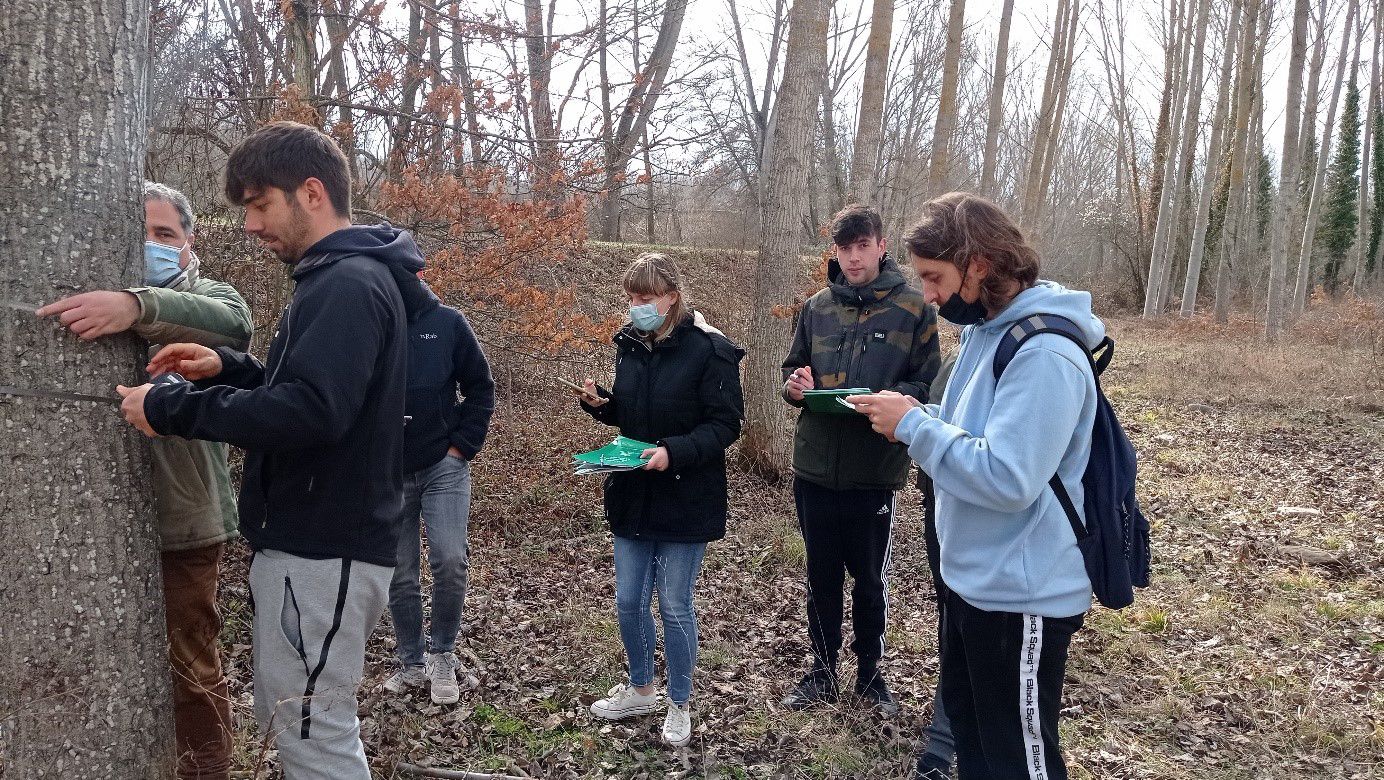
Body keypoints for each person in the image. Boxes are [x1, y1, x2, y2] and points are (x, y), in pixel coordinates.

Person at [116, 121, 436, 780]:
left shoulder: (348, 282)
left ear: (311, 192)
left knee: (314, 738)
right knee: (298, 726)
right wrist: (230, 368)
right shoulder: (336, 280)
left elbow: (310, 414)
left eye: (261, 204)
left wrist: (171, 407)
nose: (253, 225)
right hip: (314, 548)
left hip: (326, 548)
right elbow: (320, 397)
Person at [849, 192, 1101, 780]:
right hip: (975, 581)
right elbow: (969, 434)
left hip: (1022, 595)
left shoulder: (1044, 352)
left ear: (980, 264)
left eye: (936, 277)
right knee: (976, 744)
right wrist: (920, 416)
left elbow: (1010, 477)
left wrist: (914, 426)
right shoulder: (987, 333)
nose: (929, 294)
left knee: (1018, 759)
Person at [38, 182, 252, 780]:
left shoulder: (209, 295)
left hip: (187, 522)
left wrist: (135, 307)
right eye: (143, 234)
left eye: (166, 234)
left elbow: (233, 327)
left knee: (191, 665)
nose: (154, 244)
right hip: (82, 531)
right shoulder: (78, 292)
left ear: (188, 243)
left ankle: (207, 769)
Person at [574, 253, 744, 747]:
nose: (635, 307)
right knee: (628, 601)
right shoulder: (629, 346)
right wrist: (603, 404)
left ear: (671, 298)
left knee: (673, 604)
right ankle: (642, 687)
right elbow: (632, 413)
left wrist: (673, 452)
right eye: (631, 298)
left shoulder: (710, 350)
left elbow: (725, 424)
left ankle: (680, 701)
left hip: (686, 497)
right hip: (632, 493)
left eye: (644, 299)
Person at [779, 204, 941, 715]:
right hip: (815, 465)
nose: (853, 257)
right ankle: (821, 673)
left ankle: (871, 676)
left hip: (874, 470)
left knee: (870, 580)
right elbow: (792, 373)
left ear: (881, 245)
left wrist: (894, 403)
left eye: (862, 246)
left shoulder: (915, 308)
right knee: (821, 576)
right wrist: (796, 386)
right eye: (844, 248)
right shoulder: (816, 308)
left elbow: (930, 385)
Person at [382, 294, 495, 704]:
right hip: (389, 471)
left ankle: (442, 653)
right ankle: (411, 662)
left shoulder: (448, 322)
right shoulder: (374, 320)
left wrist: (463, 444)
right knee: (400, 572)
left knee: (449, 559)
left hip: (443, 466)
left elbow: (481, 387)